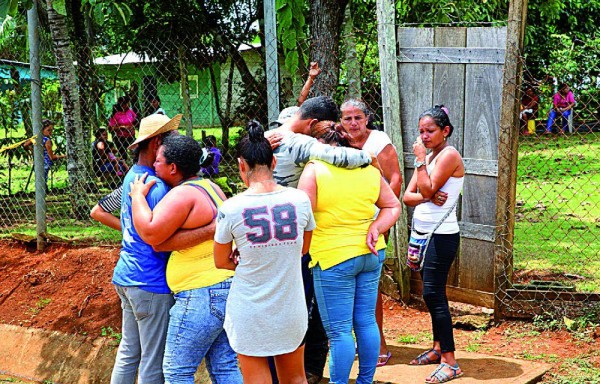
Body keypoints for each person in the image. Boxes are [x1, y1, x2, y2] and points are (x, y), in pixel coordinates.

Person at [268, 96, 375, 383]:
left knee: (290, 307)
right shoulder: (302, 146)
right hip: (307, 244)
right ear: (313, 123)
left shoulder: (270, 141)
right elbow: (341, 158)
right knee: (323, 315)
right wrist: (368, 158)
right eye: (327, 125)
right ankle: (304, 372)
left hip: (273, 240)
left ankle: (290, 371)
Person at [129, 135, 242, 384]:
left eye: (158, 161)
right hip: (226, 288)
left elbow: (149, 231)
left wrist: (137, 195)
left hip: (200, 294)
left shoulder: (184, 195)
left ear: (172, 168)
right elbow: (194, 234)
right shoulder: (211, 187)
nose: (153, 166)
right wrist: (164, 242)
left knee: (177, 370)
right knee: (225, 366)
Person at [297, 123, 401, 383]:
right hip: (370, 253)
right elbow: (392, 205)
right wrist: (376, 227)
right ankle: (365, 381)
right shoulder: (368, 170)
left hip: (333, 259)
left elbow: (302, 217)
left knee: (339, 331)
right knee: (366, 322)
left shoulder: (314, 170)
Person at [214, 121, 316, 384]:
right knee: (295, 378)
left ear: (241, 165)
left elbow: (220, 261)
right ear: (273, 161)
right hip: (290, 307)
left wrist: (242, 257)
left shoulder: (232, 207)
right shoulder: (300, 199)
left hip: (249, 310)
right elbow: (303, 250)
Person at [110, 113, 181, 384]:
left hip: (127, 275)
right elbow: (160, 240)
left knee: (129, 352)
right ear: (157, 143)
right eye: (169, 141)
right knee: (154, 360)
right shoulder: (156, 186)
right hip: (150, 281)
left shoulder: (133, 176)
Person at [403, 105, 465, 384]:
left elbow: (424, 188)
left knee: (433, 294)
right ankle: (438, 348)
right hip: (422, 232)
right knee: (429, 292)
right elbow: (408, 196)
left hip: (441, 236)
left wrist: (421, 169)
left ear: (445, 131)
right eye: (421, 132)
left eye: (430, 131)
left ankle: (450, 363)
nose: (424, 136)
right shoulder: (429, 157)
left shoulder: (449, 156)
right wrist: (428, 195)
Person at [340, 98, 402, 367]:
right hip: (344, 224)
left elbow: (396, 178)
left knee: (369, 288)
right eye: (347, 118)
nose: (353, 123)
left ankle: (378, 344)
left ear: (366, 119)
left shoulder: (378, 142)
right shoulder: (337, 142)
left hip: (373, 225)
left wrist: (383, 221)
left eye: (358, 118)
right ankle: (355, 342)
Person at [23, 119, 65, 187]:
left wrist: (33, 150)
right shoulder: (47, 141)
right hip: (45, 164)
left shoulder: (36, 138)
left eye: (52, 130)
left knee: (40, 182)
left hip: (38, 163)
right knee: (43, 183)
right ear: (42, 130)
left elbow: (25, 145)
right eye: (48, 130)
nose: (51, 133)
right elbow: (52, 157)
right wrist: (64, 156)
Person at [109, 95, 138, 160]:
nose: (128, 105)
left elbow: (136, 121)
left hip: (131, 136)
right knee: (123, 156)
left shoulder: (130, 111)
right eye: (127, 103)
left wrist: (132, 126)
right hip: (120, 138)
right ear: (122, 104)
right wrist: (122, 127)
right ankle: (123, 168)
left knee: (136, 152)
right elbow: (111, 128)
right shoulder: (116, 114)